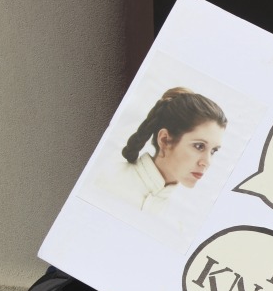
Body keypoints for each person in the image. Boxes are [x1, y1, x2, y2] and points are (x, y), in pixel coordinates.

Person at [93, 86, 227, 215]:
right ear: (164, 140)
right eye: (199, 146)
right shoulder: (103, 177)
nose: (207, 162)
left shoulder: (177, 222)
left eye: (213, 151)